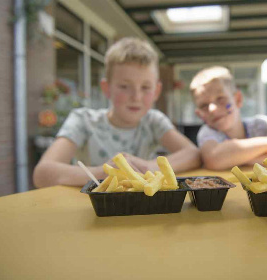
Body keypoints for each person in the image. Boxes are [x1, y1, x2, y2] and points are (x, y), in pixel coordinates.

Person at [33, 37, 200, 188]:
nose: (136, 97)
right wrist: (104, 172)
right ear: (107, 88)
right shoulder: (83, 120)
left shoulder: (153, 121)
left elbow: (193, 154)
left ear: (156, 91)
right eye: (124, 86)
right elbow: (42, 173)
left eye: (145, 87)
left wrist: (149, 166)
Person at [190, 66, 267, 170]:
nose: (212, 109)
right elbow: (214, 158)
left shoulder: (263, 125)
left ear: (238, 99)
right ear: (199, 114)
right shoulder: (207, 132)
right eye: (204, 105)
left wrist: (236, 159)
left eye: (220, 98)